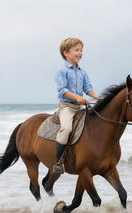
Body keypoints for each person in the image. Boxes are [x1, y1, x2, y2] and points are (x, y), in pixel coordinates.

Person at [53, 37, 99, 174]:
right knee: (66, 129)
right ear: (66, 53)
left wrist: (97, 96)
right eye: (76, 50)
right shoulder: (62, 71)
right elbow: (62, 91)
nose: (80, 53)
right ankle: (58, 162)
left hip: (80, 106)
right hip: (67, 107)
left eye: (81, 50)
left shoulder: (82, 72)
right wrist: (77, 98)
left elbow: (88, 88)